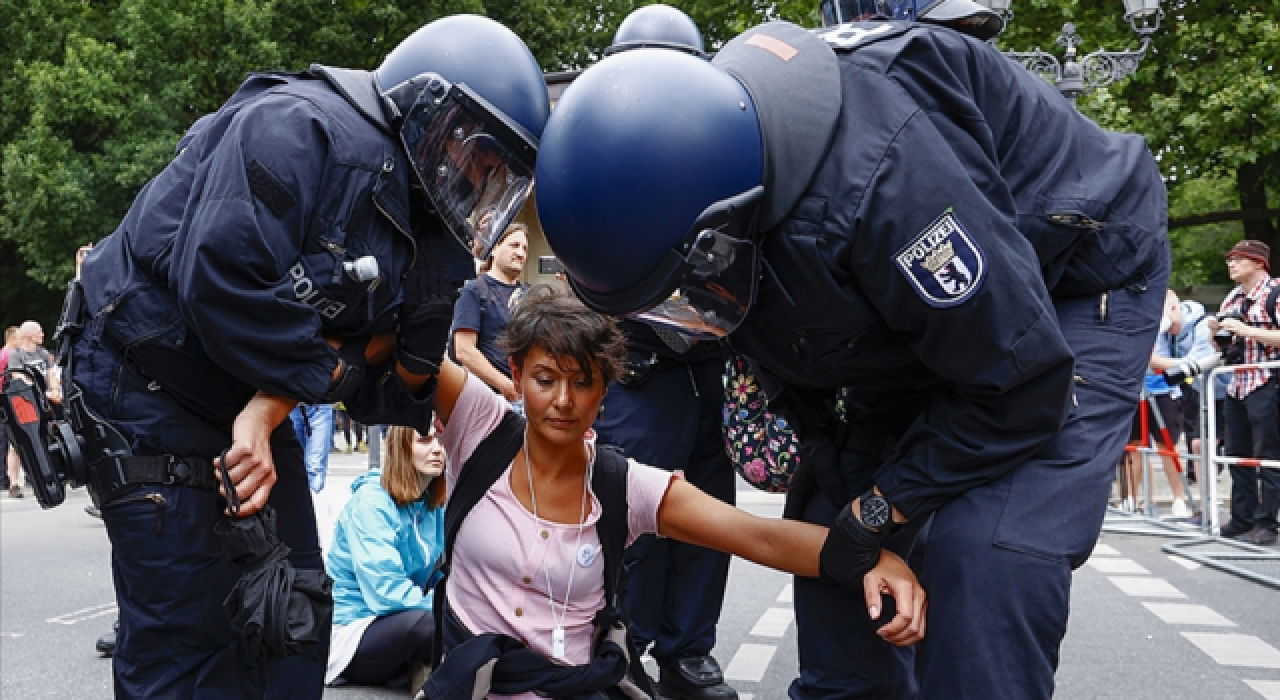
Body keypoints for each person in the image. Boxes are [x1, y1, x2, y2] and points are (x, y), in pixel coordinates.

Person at [533, 7, 1171, 698]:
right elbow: (802, 385)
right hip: (915, 314)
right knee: (828, 538)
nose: (685, 321)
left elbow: (1020, 383)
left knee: (987, 554)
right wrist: (857, 517)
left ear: (723, 231)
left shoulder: (882, 188)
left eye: (679, 296)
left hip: (1072, 277)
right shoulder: (719, 218)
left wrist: (881, 510)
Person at [61, 14, 551, 698]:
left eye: (500, 172)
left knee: (293, 611)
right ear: (432, 112)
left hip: (247, 397)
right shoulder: (299, 128)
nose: (482, 179)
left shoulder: (432, 224)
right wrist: (343, 362)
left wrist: (285, 397)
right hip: (143, 381)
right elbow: (223, 282)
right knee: (187, 631)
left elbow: (401, 377)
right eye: (480, 155)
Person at [425, 286, 925, 699]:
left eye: (581, 382)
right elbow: (400, 346)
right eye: (544, 378)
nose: (562, 400)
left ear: (605, 392)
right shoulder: (478, 425)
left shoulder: (624, 485)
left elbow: (757, 536)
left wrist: (870, 555)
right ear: (516, 376)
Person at [588, 8, 738, 699]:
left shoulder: (713, 145)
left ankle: (689, 650)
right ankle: (628, 646)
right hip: (642, 375)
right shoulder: (605, 149)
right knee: (635, 526)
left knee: (708, 519)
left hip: (706, 371)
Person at [325, 423, 446, 689]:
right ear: (401, 450)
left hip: (399, 618)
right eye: (425, 441)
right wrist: (451, 609)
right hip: (353, 629)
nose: (438, 450)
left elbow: (438, 575)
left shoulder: (433, 503)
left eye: (441, 440)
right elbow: (385, 593)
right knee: (434, 624)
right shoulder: (372, 503)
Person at [1207, 239, 1280, 546]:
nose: (1231, 264)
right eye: (1229, 259)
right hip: (1237, 382)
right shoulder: (1231, 299)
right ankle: (1242, 519)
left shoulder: (1275, 293)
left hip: (1268, 380)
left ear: (1258, 262)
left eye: (1238, 259)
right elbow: (1224, 346)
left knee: (1268, 455)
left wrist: (1249, 330)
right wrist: (1215, 333)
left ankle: (1267, 523)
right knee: (1237, 454)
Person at [1121, 290, 1191, 517]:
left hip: (1163, 389)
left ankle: (1179, 498)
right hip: (1135, 388)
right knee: (1134, 446)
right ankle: (1134, 498)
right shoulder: (1128, 306)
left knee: (1166, 446)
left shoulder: (1166, 296)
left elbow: (1173, 320)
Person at [451, 222, 530, 402]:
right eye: (514, 246)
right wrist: (506, 386)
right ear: (494, 248)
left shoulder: (530, 294)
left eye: (525, 248)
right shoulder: (474, 290)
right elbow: (464, 350)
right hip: (488, 398)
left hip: (525, 398)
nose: (521, 253)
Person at [290, 403, 337, 492]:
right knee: (292, 462)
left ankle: (310, 500)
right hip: (288, 403)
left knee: (315, 467)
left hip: (319, 403)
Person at [0, 326, 18, 494]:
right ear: (12, 339)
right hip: (5, 398)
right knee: (6, 438)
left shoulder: (1, 354)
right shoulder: (9, 356)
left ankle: (3, 479)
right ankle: (4, 478)